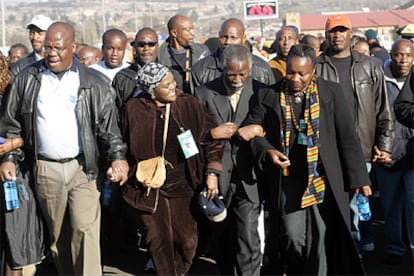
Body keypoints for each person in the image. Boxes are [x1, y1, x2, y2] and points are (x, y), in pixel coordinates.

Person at [0, 22, 129, 275]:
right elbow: (11, 125)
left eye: (58, 48)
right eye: (47, 47)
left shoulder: (95, 83)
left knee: (85, 230)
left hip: (83, 169)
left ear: (73, 47)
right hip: (46, 169)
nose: (52, 53)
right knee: (59, 237)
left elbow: (109, 129)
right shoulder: (27, 79)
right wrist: (9, 159)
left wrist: (117, 158)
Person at [243, 44, 371, 275]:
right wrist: (268, 150)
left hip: (323, 177)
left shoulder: (331, 92)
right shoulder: (268, 95)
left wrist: (360, 179)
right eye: (291, 72)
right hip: (289, 178)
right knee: (293, 236)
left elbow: (348, 138)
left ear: (314, 72)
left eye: (303, 73)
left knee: (322, 236)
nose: (295, 78)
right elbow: (251, 130)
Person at [121, 62, 224, 275]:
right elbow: (121, 143)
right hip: (148, 185)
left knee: (187, 240)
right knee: (158, 239)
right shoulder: (133, 108)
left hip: (184, 183)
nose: (174, 87)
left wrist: (212, 171)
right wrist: (120, 167)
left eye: (173, 83)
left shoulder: (189, 105)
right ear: (151, 91)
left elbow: (213, 138)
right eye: (166, 86)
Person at [316, 14, 394, 256]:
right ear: (326, 35)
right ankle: (339, 252)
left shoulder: (369, 65)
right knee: (332, 205)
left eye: (342, 30)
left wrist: (385, 145)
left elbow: (383, 109)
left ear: (351, 34)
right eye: (332, 31)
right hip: (327, 150)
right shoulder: (316, 67)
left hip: (361, 148)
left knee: (356, 205)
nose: (337, 35)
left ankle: (354, 251)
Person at [195, 44, 265, 275]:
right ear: (222, 69)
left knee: (248, 236)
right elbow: (187, 136)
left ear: (250, 70)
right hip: (216, 177)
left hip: (249, 176)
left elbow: (273, 130)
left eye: (242, 74)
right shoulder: (204, 93)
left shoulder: (262, 92)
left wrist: (258, 131)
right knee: (222, 237)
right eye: (231, 74)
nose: (236, 79)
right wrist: (211, 134)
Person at [375, 39, 414, 265]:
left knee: (412, 205)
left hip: (412, 155)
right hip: (387, 153)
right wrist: (377, 145)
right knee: (390, 206)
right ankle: (394, 248)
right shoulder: (379, 78)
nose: (404, 60)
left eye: (409, 55)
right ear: (391, 55)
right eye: (399, 55)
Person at [192, 17, 275, 87]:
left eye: (233, 38)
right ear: (219, 35)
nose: (228, 42)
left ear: (244, 38)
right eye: (224, 37)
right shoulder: (201, 69)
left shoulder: (261, 68)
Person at [157, 14, 210, 94]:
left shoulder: (202, 52)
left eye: (192, 29)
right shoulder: (159, 56)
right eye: (187, 30)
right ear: (174, 33)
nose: (192, 33)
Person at [113, 27, 160, 109]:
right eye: (141, 45)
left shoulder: (169, 75)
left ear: (157, 47)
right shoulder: (122, 78)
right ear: (134, 48)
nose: (146, 49)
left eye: (151, 44)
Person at [10, 14, 53, 78]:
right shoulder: (19, 67)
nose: (35, 37)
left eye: (40, 33)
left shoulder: (60, 62)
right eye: (31, 33)